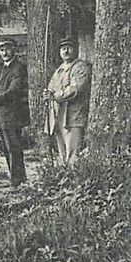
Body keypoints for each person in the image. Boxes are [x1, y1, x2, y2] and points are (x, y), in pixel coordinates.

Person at [0, 36, 29, 187]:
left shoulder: (18, 68)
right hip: (3, 114)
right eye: (1, 50)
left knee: (13, 147)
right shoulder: (3, 68)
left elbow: (13, 91)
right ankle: (16, 178)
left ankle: (18, 180)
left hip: (13, 113)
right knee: (6, 146)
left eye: (7, 49)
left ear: (14, 50)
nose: (4, 52)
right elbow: (0, 89)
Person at [45, 36, 91, 166]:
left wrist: (55, 96)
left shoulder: (80, 67)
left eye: (69, 48)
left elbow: (75, 89)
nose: (66, 51)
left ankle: (74, 180)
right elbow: (51, 88)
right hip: (58, 116)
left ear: (75, 50)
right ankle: (63, 178)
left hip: (73, 116)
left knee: (73, 152)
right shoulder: (59, 70)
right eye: (63, 48)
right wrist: (48, 94)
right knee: (62, 152)